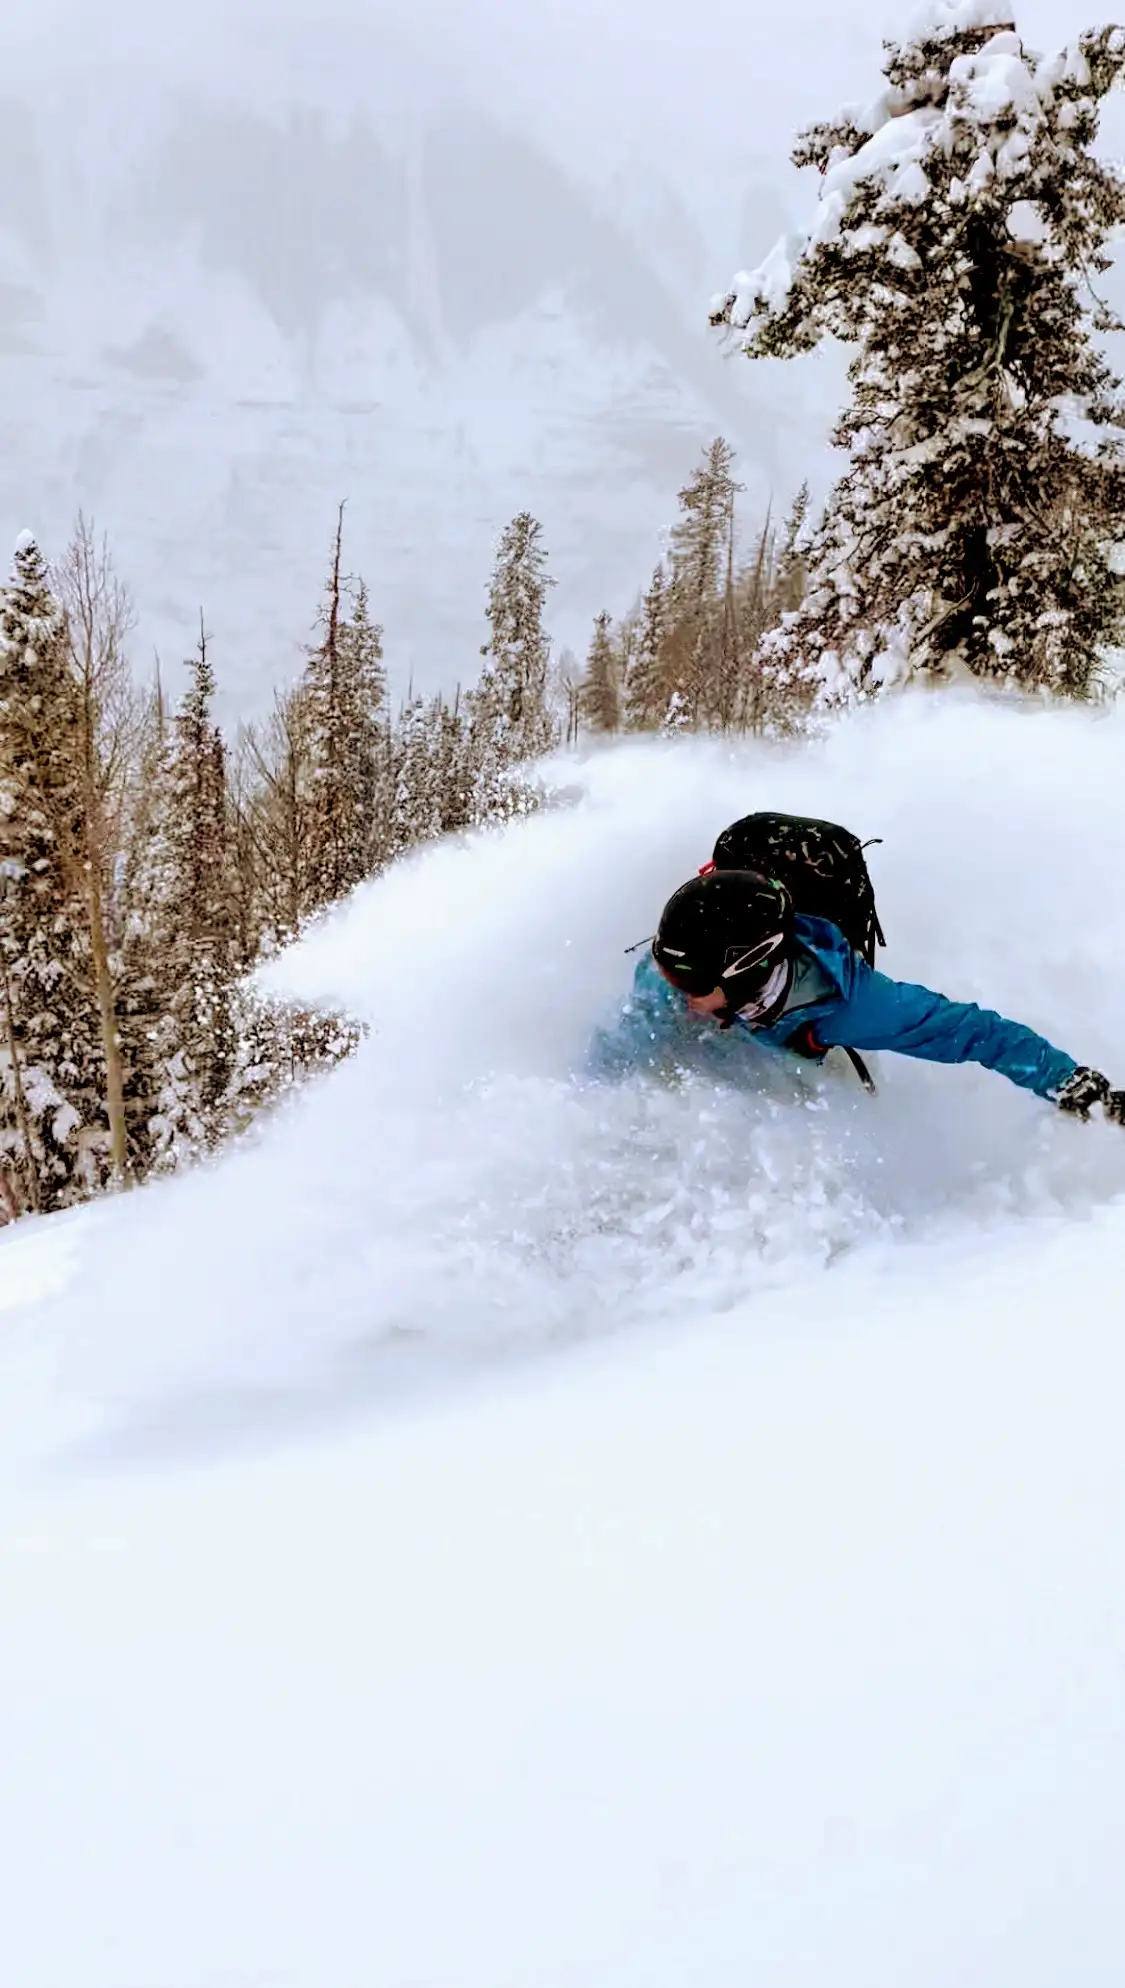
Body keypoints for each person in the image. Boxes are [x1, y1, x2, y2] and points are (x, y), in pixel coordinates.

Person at [588, 867, 1125, 1121]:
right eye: (662, 966)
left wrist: (1073, 1085)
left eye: (685, 983)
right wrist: (590, 1108)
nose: (667, 987)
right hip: (726, 1039)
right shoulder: (670, 977)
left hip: (792, 1060)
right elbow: (625, 1042)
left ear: (745, 972)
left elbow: (973, 1032)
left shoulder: (853, 1006)